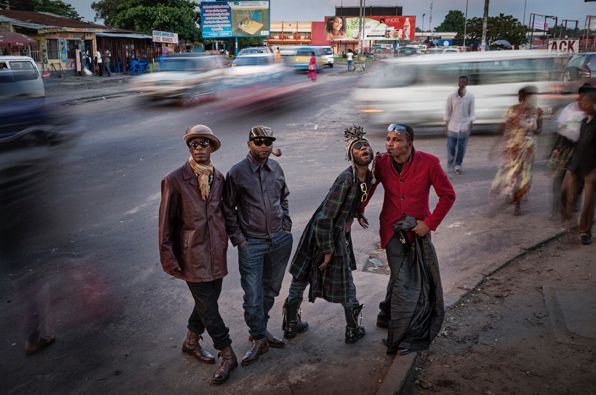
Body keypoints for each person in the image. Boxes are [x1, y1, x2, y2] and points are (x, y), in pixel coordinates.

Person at [360, 123, 455, 355]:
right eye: (388, 139)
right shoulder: (381, 163)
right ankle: (403, 332)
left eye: (395, 140)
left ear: (409, 144)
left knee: (408, 275)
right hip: (391, 230)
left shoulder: (429, 163)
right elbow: (370, 187)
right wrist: (359, 208)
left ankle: (386, 314)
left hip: (417, 231)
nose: (389, 144)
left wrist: (429, 224)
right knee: (405, 279)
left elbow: (448, 195)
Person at [158, 125, 237, 385]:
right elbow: (165, 224)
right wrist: (169, 259)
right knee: (209, 307)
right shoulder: (174, 179)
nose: (199, 148)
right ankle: (226, 352)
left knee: (205, 303)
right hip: (191, 255)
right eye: (194, 144)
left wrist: (232, 239)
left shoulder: (220, 178)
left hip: (217, 252)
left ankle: (191, 342)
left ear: (212, 148)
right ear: (189, 148)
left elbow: (225, 213)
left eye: (204, 144)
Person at [283, 125, 373, 344]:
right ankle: (292, 324)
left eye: (366, 145)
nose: (364, 148)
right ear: (351, 155)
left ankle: (349, 329)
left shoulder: (366, 178)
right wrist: (327, 250)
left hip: (336, 235)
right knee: (304, 279)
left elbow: (351, 203)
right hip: (322, 235)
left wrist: (357, 214)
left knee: (338, 282)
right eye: (358, 146)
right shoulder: (346, 179)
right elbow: (325, 218)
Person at [223, 125, 292, 366]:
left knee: (271, 289)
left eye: (268, 142)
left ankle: (260, 333)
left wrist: (286, 225)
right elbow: (228, 209)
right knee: (253, 294)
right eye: (259, 142)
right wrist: (239, 239)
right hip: (251, 243)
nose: (264, 145)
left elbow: (283, 197)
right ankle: (258, 337)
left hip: (279, 239)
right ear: (249, 144)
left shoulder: (276, 167)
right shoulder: (237, 173)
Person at [490, 86, 543, 216]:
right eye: (532, 96)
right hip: (512, 148)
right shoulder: (512, 110)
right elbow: (503, 127)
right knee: (510, 175)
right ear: (524, 97)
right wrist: (494, 146)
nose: (535, 99)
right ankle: (509, 197)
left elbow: (539, 130)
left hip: (527, 149)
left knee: (524, 176)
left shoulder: (538, 112)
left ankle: (517, 203)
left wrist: (533, 125)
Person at [548, 83, 592, 216]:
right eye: (582, 95)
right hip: (566, 149)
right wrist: (554, 150)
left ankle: (572, 206)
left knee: (579, 181)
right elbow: (558, 130)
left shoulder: (590, 111)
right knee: (560, 178)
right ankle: (558, 205)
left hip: (583, 152)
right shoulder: (569, 109)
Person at [560, 88, 596, 245]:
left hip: (591, 168)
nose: (581, 104)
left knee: (588, 202)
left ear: (593, 105)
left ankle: (585, 232)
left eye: (585, 102)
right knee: (564, 193)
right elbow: (579, 144)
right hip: (576, 164)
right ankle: (569, 221)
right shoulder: (583, 122)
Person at [444, 75, 475, 175]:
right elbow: (448, 111)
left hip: (464, 126)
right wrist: (446, 125)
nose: (462, 83)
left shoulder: (470, 97)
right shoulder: (451, 96)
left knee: (461, 148)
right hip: (452, 126)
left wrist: (470, 124)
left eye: (464, 82)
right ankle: (451, 163)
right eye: (460, 82)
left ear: (467, 83)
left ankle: (458, 165)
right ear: (458, 83)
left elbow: (472, 112)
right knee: (451, 147)